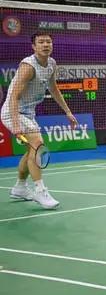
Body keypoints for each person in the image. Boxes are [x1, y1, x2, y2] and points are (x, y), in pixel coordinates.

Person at [0, 32, 78, 209]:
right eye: (41, 42)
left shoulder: (51, 64)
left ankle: (20, 188)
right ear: (33, 47)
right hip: (13, 112)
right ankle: (40, 191)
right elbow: (13, 97)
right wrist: (17, 127)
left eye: (48, 42)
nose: (45, 45)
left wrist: (68, 112)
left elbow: (54, 89)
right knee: (38, 144)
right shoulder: (28, 67)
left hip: (28, 113)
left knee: (31, 151)